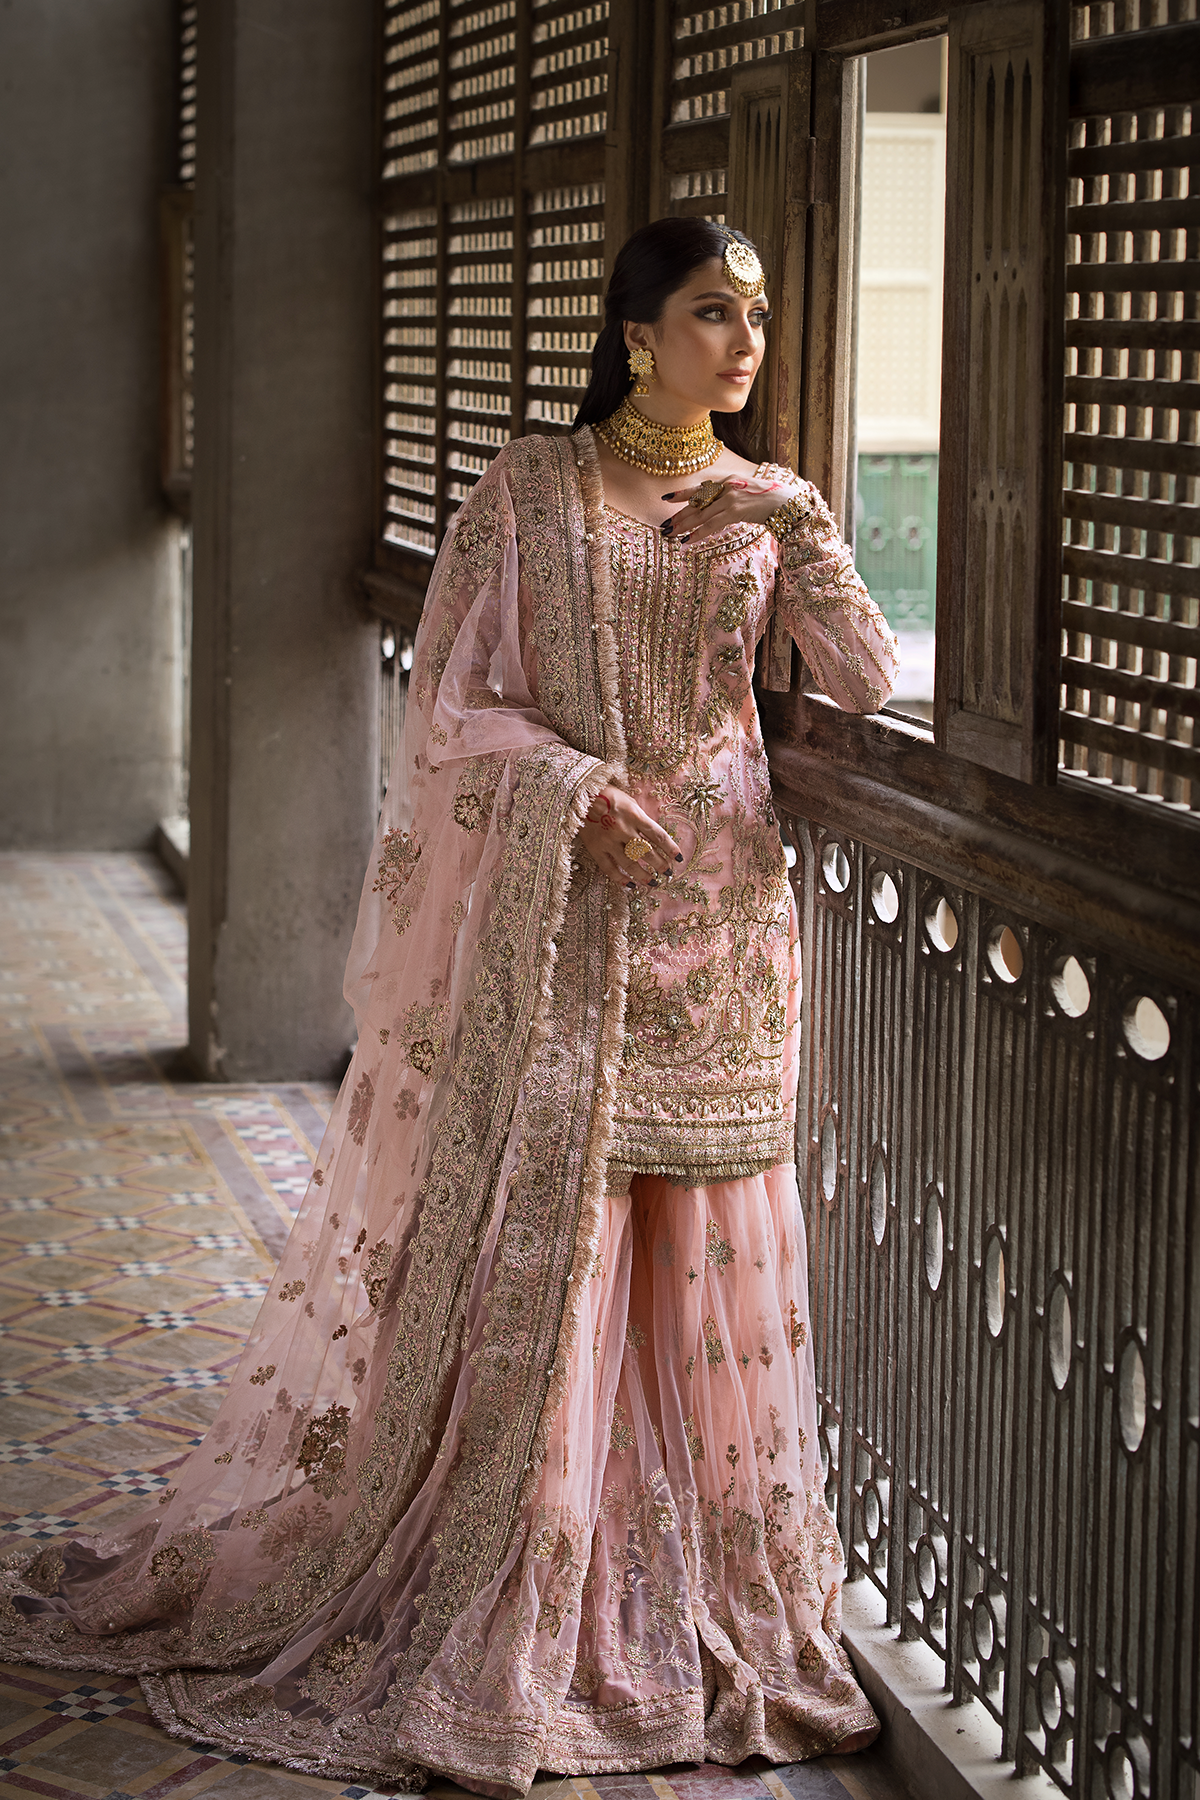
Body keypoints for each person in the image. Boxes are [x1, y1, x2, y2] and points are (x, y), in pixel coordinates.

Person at [1, 218, 897, 1796]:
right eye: (713, 313)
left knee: (700, 1250)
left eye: (757, 315)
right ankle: (526, 1564)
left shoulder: (770, 500)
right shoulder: (531, 489)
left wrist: (801, 525)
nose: (747, 342)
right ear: (638, 334)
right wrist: (570, 788)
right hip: (566, 924)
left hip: (723, 929)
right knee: (556, 1247)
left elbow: (869, 681)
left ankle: (689, 1582)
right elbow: (452, 702)